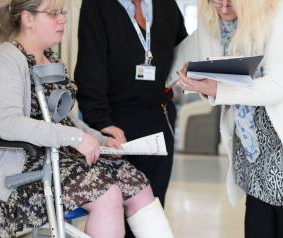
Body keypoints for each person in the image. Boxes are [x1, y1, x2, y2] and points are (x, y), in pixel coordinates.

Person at [0, 0, 175, 237]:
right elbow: (9, 124)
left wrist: (99, 139)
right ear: (27, 19)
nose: (63, 20)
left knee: (137, 183)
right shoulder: (4, 59)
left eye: (62, 13)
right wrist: (75, 138)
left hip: (55, 159)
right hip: (17, 172)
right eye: (53, 14)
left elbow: (66, 120)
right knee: (107, 194)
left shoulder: (51, 59)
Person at [170, 0, 283, 237]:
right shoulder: (212, 14)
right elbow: (192, 53)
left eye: (231, 2)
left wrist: (218, 90)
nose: (223, 9)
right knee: (257, 225)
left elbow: (278, 85)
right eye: (216, 1)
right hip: (251, 149)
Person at [74, 1, 187, 236]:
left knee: (151, 210)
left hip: (158, 119)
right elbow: (89, 69)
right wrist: (102, 123)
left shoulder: (166, 5)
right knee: (116, 211)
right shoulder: (97, 5)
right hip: (113, 126)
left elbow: (184, 51)